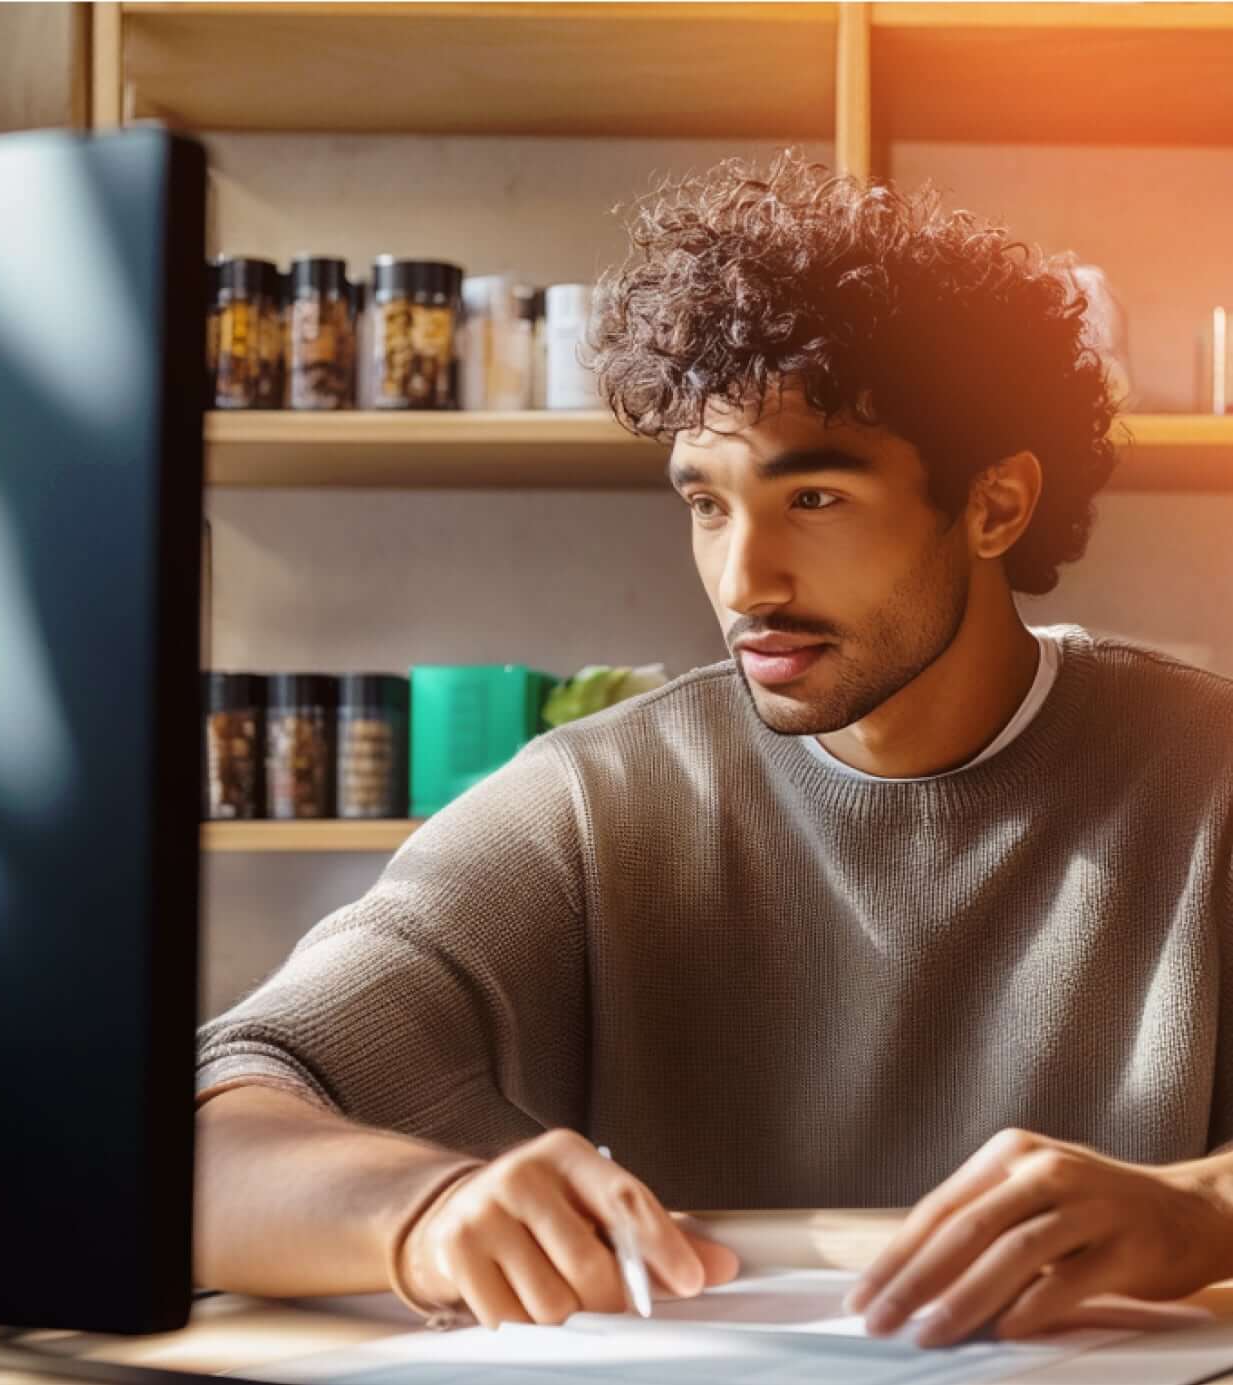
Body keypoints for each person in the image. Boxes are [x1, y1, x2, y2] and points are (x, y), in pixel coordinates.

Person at [194, 152, 1233, 1347]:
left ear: (995, 505)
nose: (745, 581)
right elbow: (203, 1127)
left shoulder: (1207, 771)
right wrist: (421, 1208)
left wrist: (1204, 1210)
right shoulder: (596, 801)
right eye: (706, 502)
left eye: (815, 500)